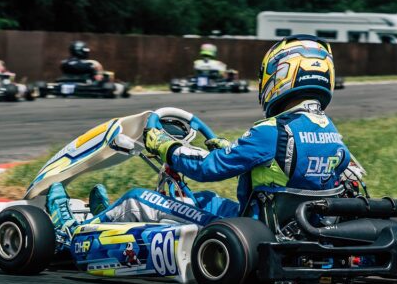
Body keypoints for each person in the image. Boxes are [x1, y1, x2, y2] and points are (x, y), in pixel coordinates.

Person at [45, 35, 366, 234]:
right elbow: (283, 170)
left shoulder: (273, 131)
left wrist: (164, 145)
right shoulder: (332, 134)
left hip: (256, 227)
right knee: (205, 201)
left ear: (281, 75)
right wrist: (225, 147)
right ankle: (106, 220)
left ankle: (74, 230)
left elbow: (208, 169)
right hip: (294, 225)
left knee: (138, 200)